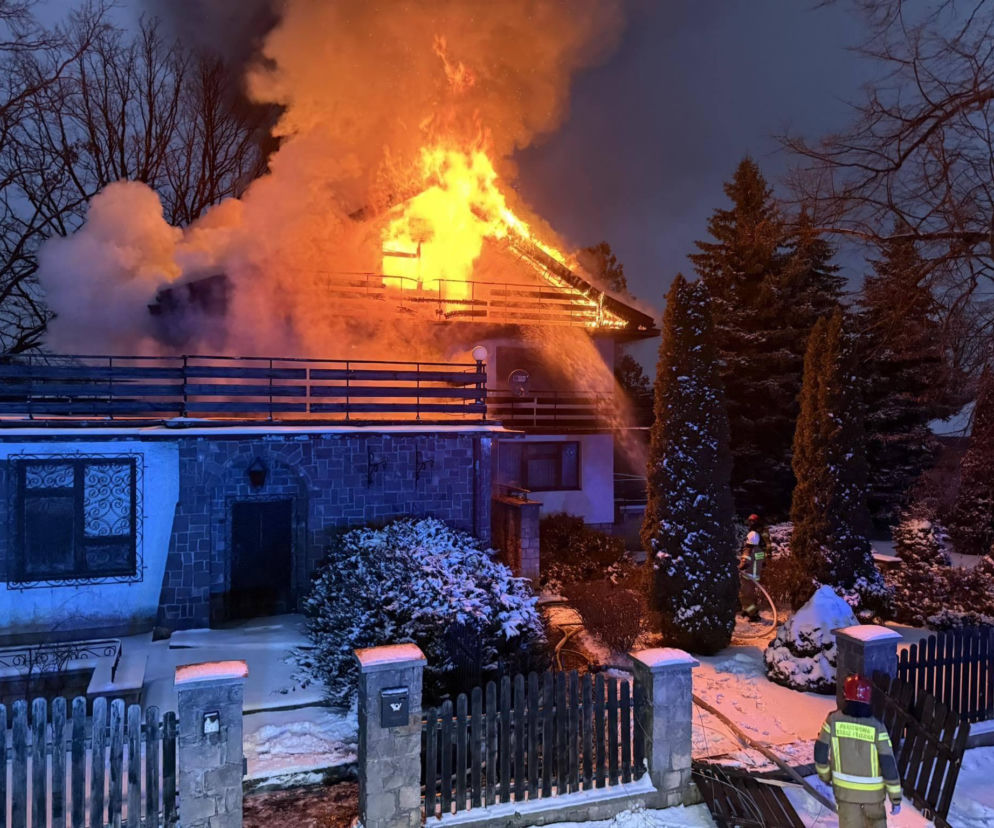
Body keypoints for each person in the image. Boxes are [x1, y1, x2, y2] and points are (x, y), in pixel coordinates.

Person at [815, 674, 903, 827]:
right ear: (868, 698)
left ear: (845, 695)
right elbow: (888, 764)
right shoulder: (877, 727)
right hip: (873, 798)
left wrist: (826, 776)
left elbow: (820, 752)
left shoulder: (833, 721)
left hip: (846, 796)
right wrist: (895, 797)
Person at [738, 513, 767, 621]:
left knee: (746, 594)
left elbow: (748, 553)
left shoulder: (753, 534)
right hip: (755, 571)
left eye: (751, 521)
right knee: (750, 594)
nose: (749, 523)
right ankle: (747, 611)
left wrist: (741, 565)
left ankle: (752, 614)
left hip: (749, 572)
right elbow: (758, 556)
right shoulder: (760, 535)